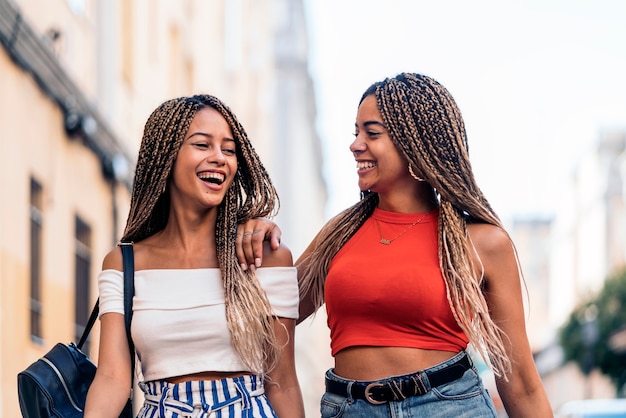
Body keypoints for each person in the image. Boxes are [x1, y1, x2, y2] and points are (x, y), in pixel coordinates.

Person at [237, 73, 553, 417]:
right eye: (355, 132)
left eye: (371, 133)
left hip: (449, 408)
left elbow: (520, 380)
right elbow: (262, 318)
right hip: (350, 408)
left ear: (415, 142)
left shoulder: (481, 241)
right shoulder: (339, 234)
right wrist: (253, 236)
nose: (356, 144)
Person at [85, 94, 305, 418]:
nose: (219, 158)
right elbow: (112, 377)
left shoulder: (263, 257)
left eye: (229, 150)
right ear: (167, 156)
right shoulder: (124, 264)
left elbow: (282, 383)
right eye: (202, 145)